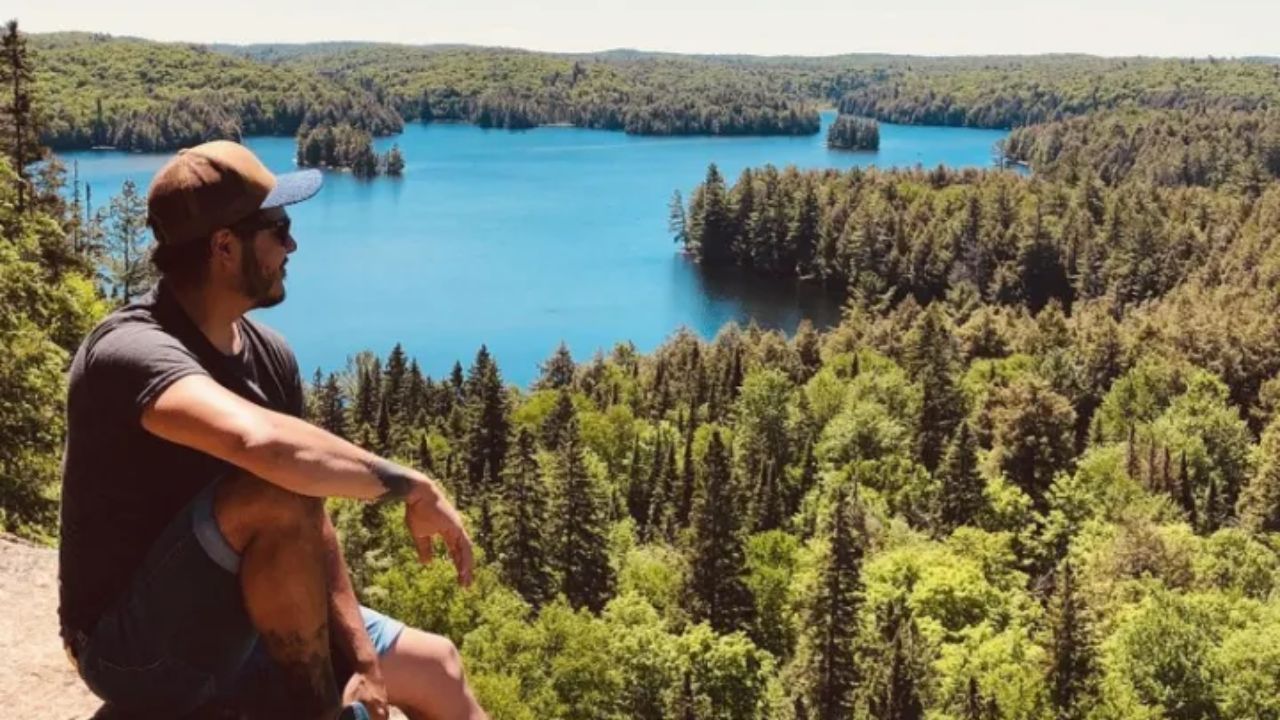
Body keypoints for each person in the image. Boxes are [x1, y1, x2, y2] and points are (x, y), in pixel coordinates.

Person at [59, 140, 488, 720]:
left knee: (439, 665)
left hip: (251, 613)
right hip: (136, 649)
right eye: (278, 228)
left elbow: (310, 518)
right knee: (273, 485)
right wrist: (412, 486)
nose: (292, 244)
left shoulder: (269, 355)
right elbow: (258, 447)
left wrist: (364, 663)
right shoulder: (130, 351)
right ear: (224, 246)